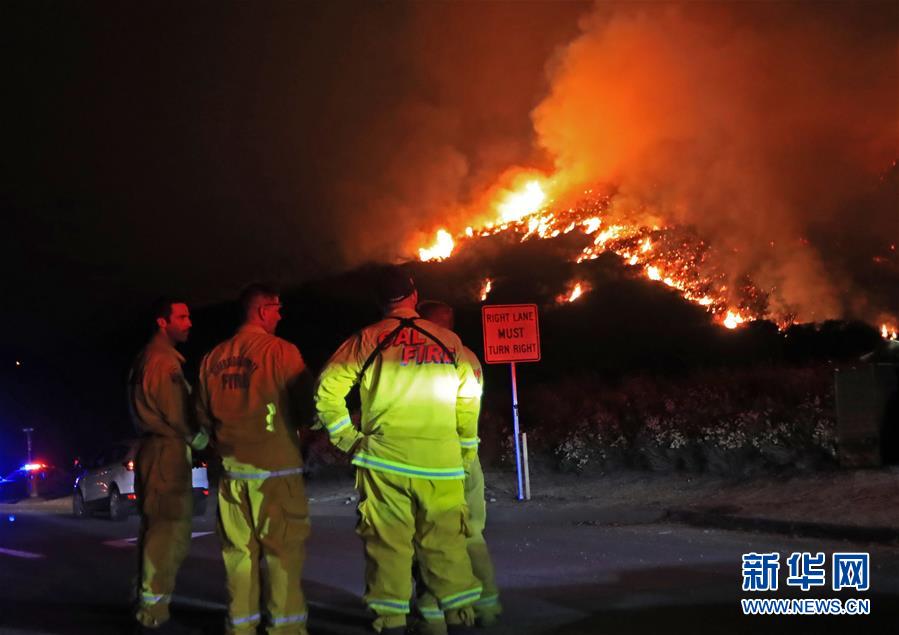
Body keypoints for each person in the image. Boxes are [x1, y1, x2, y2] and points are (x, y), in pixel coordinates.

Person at [314, 266, 483, 635]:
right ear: (414, 296)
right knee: (446, 546)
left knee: (388, 546)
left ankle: (390, 621)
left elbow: (326, 391)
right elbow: (469, 400)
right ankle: (457, 618)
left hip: (384, 463)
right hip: (440, 465)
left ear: (380, 302)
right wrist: (464, 451)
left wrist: (349, 440)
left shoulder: (367, 339)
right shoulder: (448, 342)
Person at [196, 284, 313, 635]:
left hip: (232, 474)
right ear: (262, 310)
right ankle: (284, 629)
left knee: (238, 557)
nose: (280, 315)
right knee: (282, 555)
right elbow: (307, 407)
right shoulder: (282, 352)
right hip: (276, 471)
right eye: (277, 308)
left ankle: (241, 627)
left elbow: (201, 416)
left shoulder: (212, 359)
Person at [414, 301, 502, 632]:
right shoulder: (469, 357)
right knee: (472, 533)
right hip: (468, 456)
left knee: (431, 538)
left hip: (436, 459)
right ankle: (487, 607)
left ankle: (433, 616)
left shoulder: (423, 360)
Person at [128, 298, 208, 635]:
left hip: (157, 449)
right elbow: (177, 413)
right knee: (168, 532)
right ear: (163, 322)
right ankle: (153, 614)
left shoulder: (150, 357)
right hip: (166, 451)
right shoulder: (162, 361)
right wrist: (201, 439)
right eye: (181, 317)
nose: (189, 323)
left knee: (157, 529)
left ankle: (147, 604)